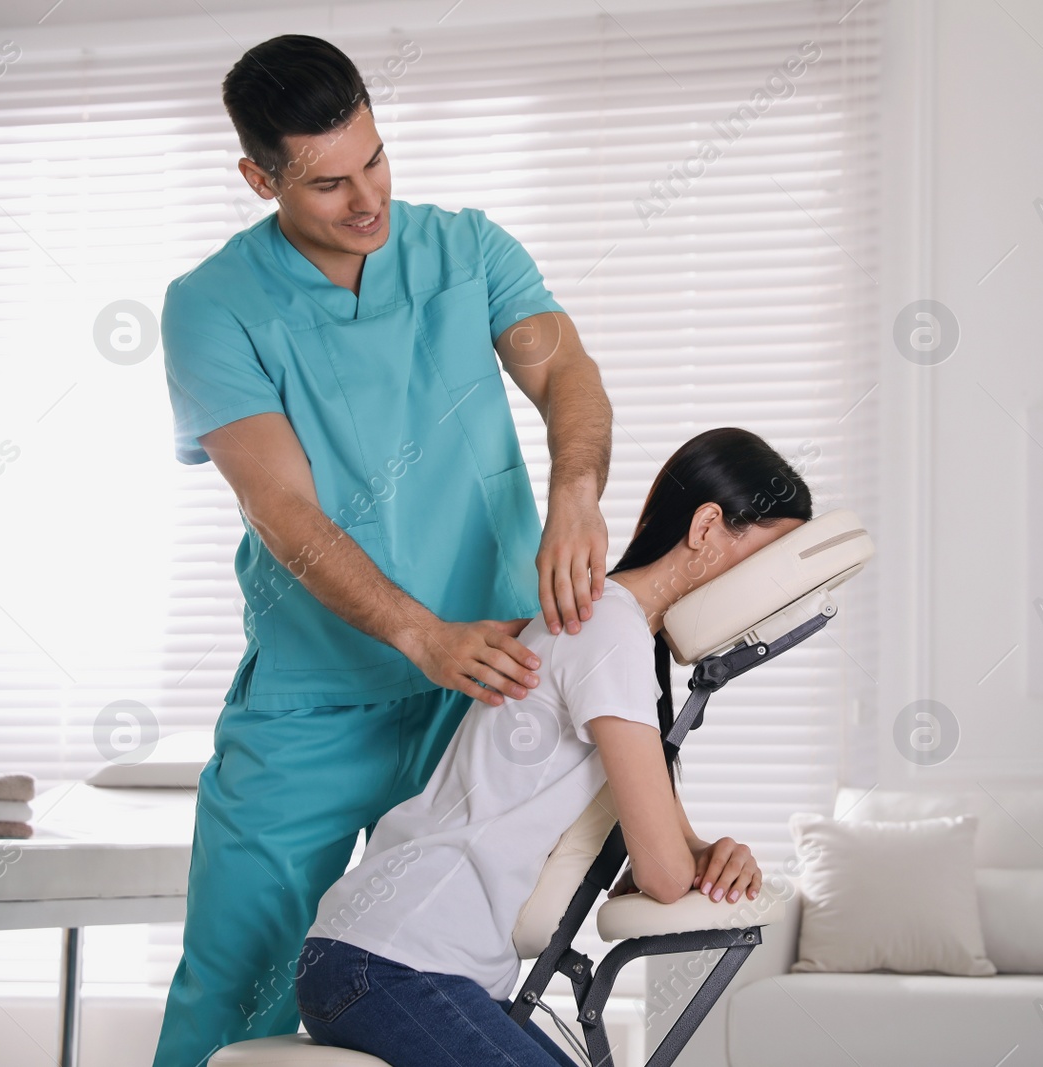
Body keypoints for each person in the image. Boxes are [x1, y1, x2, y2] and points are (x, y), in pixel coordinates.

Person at [152, 35, 614, 1066]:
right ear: (257, 178)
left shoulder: (465, 248)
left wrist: (577, 492)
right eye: (327, 182)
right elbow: (280, 505)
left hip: (485, 684)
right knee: (238, 978)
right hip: (317, 698)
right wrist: (416, 631)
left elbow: (565, 370)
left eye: (375, 160)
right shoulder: (213, 307)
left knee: (437, 982)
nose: (367, 201)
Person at [292, 427, 812, 1067]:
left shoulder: (613, 627)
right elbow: (661, 873)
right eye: (766, 558)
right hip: (389, 962)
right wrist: (684, 865)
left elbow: (670, 844)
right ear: (707, 526)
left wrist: (714, 853)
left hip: (402, 965)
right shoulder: (612, 631)